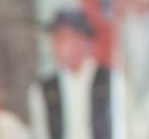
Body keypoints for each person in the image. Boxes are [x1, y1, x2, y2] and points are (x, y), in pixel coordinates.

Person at [26, 9, 113, 139]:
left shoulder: (111, 82)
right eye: (54, 38)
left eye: (63, 37)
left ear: (84, 41)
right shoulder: (43, 89)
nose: (55, 44)